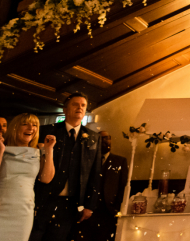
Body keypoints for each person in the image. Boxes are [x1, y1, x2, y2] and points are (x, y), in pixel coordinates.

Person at [29, 92, 102, 241]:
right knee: (33, 236)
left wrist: (90, 205)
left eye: (83, 105)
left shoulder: (94, 137)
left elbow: (95, 172)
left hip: (71, 203)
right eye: (75, 104)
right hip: (43, 197)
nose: (79, 108)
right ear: (65, 109)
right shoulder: (46, 131)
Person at [0, 113, 56, 241]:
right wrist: (1, 150)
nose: (31, 128)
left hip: (23, 211)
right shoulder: (2, 146)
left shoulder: (38, 151)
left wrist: (49, 150)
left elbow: (46, 178)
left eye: (35, 125)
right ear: (14, 127)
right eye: (25, 124)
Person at [74, 131, 128, 241]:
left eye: (107, 138)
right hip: (87, 209)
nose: (105, 141)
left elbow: (123, 185)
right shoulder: (88, 160)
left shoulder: (120, 161)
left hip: (108, 210)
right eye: (101, 138)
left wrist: (116, 209)